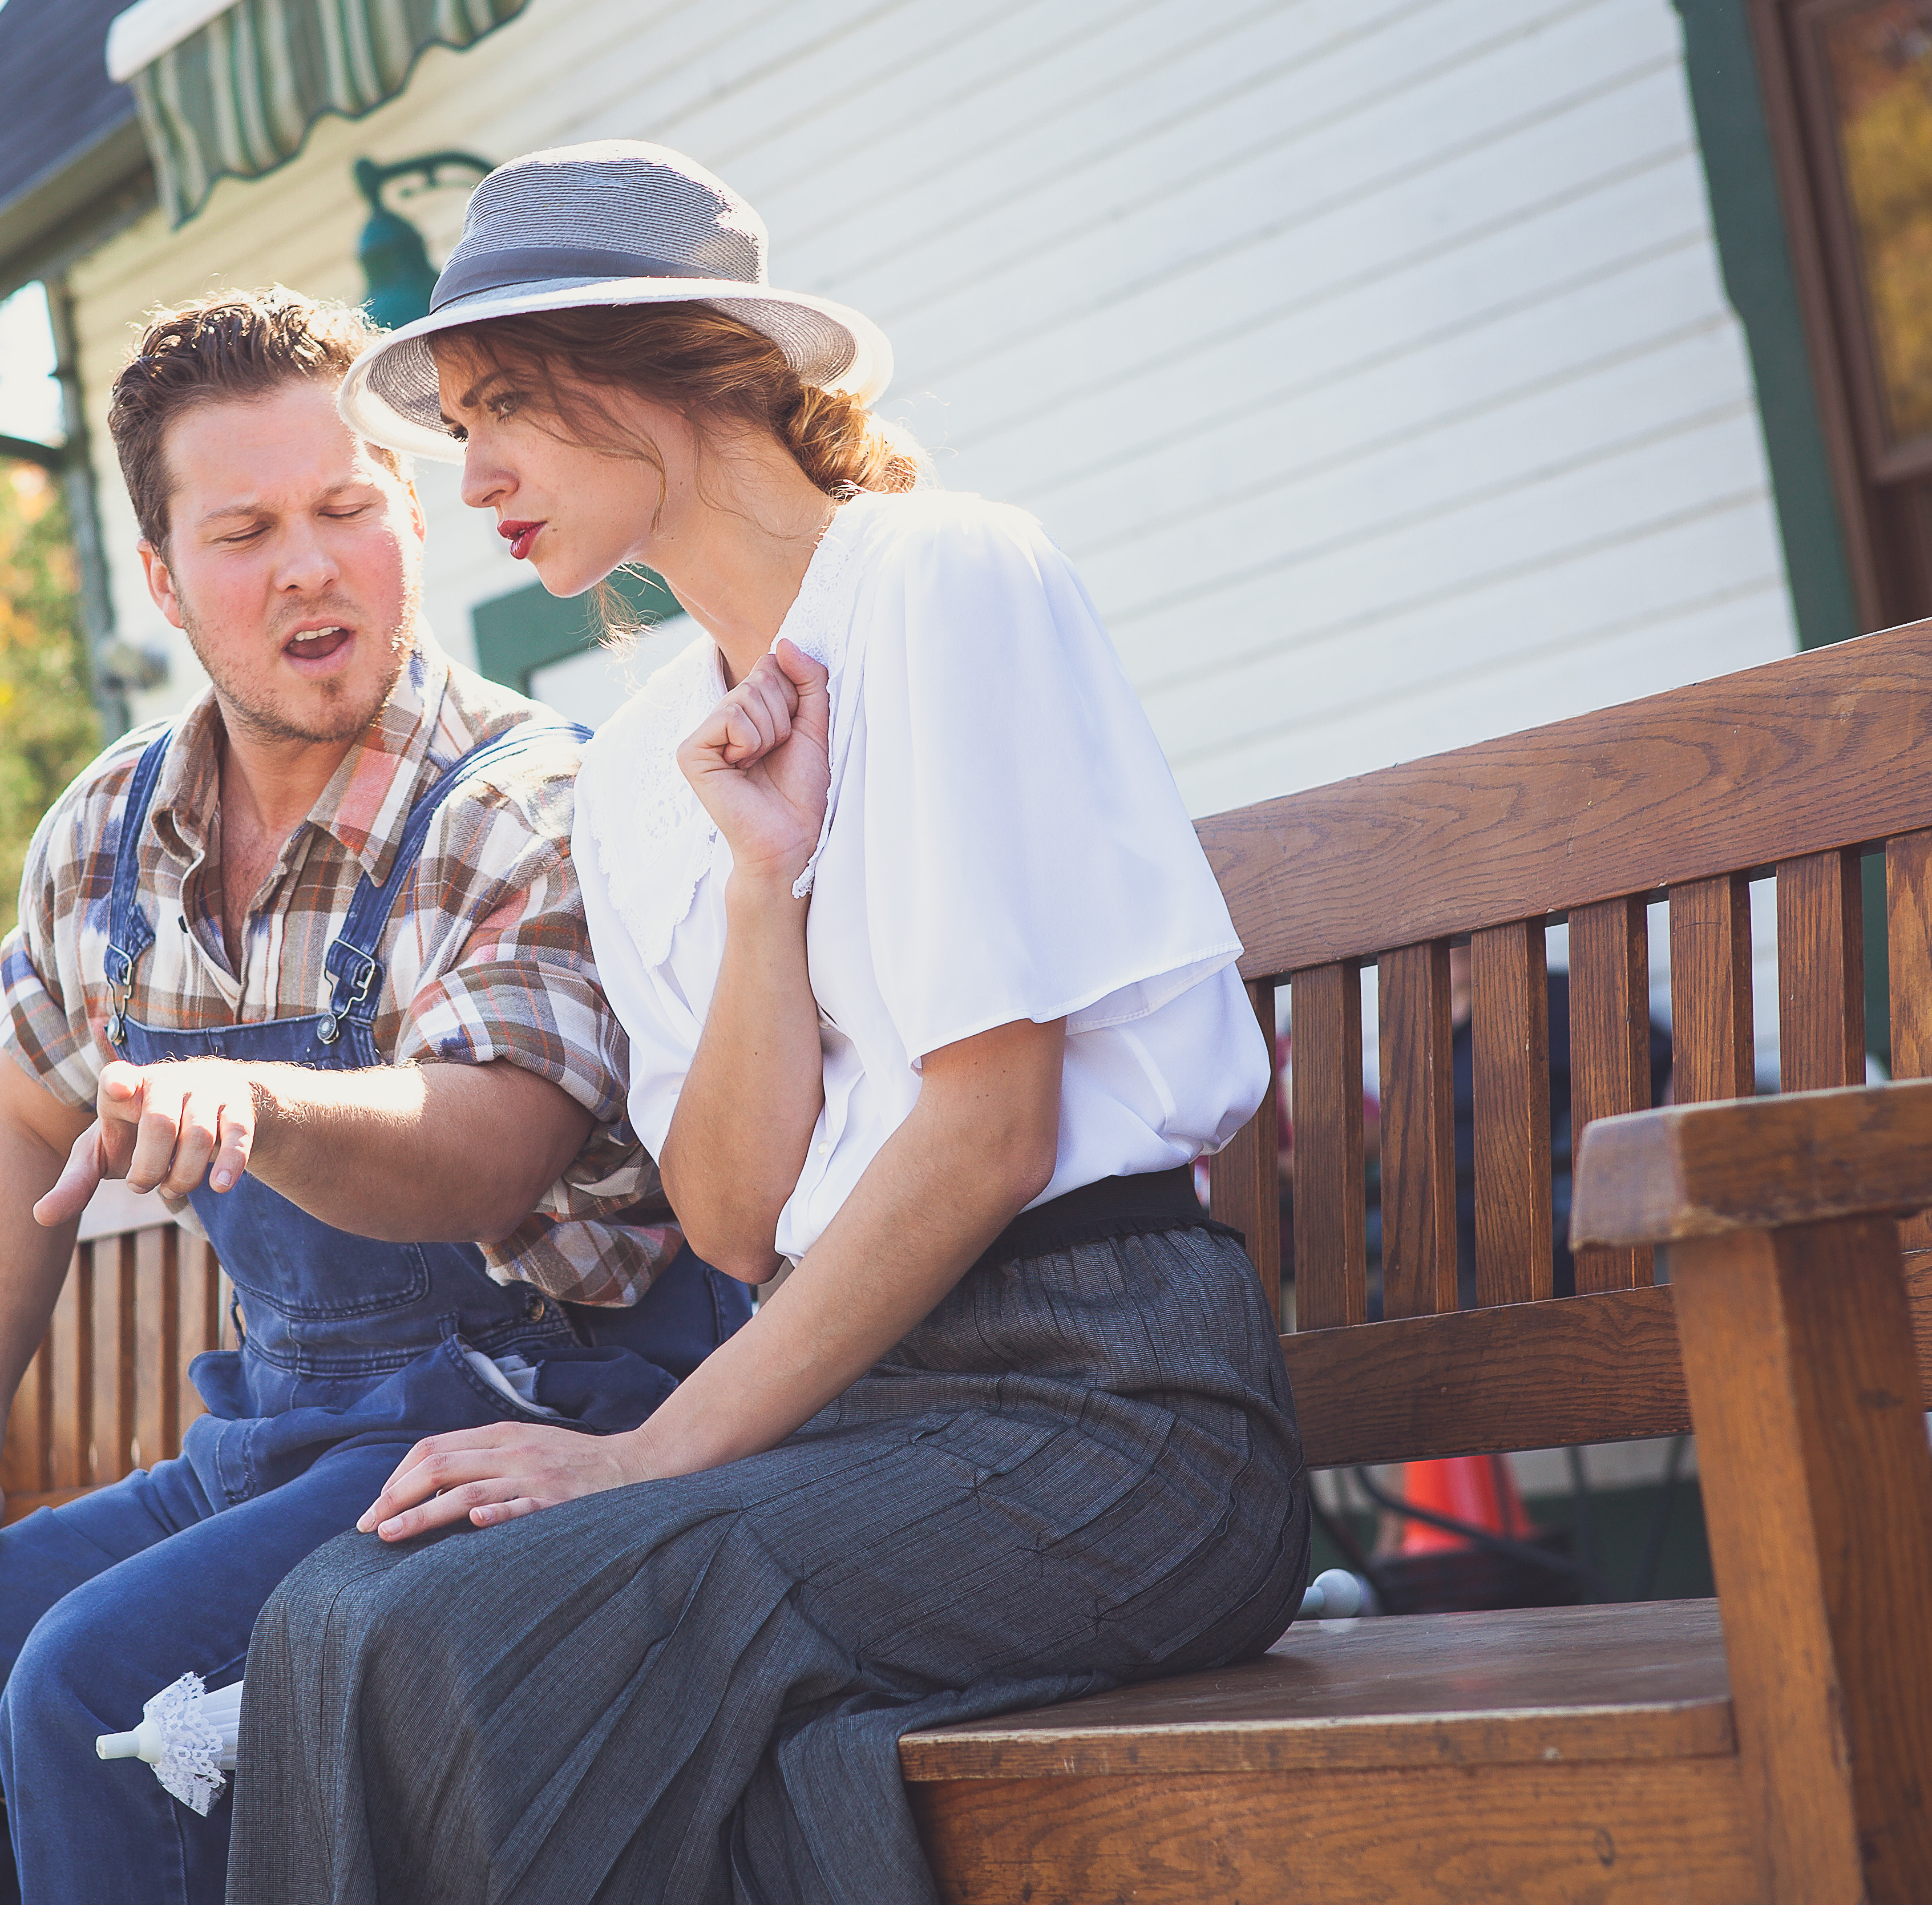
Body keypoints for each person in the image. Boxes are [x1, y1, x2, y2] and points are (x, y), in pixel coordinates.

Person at [226, 144, 1311, 1904]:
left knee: (499, 1639)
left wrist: (649, 1450)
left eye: (506, 404)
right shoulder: (648, 773)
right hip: (857, 1418)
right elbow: (734, 1219)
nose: (474, 470)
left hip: (1119, 1418)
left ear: (671, 366)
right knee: (345, 1609)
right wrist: (764, 886)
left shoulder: (940, 575)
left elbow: (993, 1129)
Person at [0, 286, 749, 1905]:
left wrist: (265, 1105)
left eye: (346, 509)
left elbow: (491, 1147)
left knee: (97, 1698)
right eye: (246, 531)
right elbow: (19, 1110)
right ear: (161, 577)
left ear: (409, 522)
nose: (309, 564)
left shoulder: (528, 802)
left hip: (529, 1430)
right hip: (279, 1442)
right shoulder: (106, 835)